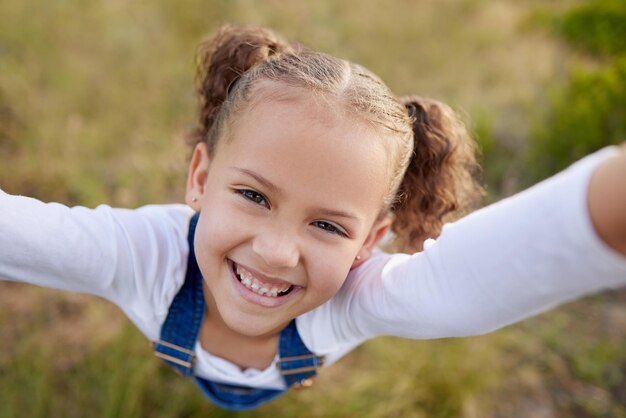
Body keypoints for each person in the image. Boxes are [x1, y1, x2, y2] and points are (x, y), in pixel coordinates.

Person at [1, 25, 625, 411]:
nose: (276, 252)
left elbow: (468, 288)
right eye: (254, 196)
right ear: (199, 178)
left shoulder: (358, 296)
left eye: (327, 226)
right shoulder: (141, 255)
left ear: (369, 242)